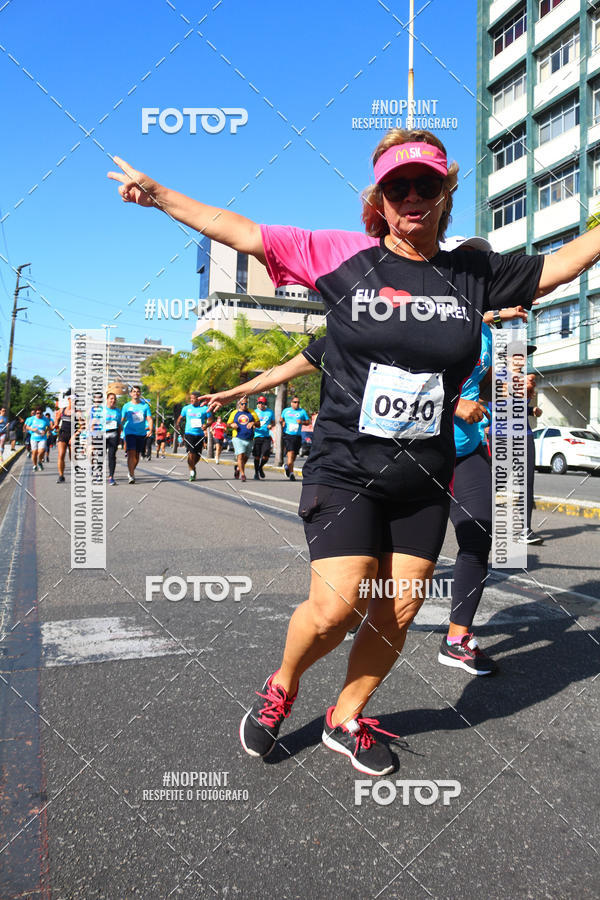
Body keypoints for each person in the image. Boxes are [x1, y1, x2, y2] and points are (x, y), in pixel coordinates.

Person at [109, 127, 592, 775]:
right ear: (381, 199)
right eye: (399, 186)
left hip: (423, 476)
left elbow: (557, 266)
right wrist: (163, 195)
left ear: (446, 193)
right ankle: (283, 685)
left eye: (426, 184)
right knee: (336, 607)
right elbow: (246, 233)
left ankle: (347, 715)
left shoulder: (471, 272)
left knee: (399, 604)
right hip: (344, 467)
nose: (413, 196)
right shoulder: (342, 255)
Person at [176, 391, 212, 482]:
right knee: (191, 453)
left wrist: (206, 425)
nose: (191, 400)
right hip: (189, 433)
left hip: (200, 434)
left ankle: (192, 466)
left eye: (194, 398)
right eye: (191, 398)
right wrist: (178, 424)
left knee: (198, 455)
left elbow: (211, 420)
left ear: (198, 399)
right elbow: (180, 417)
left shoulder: (205, 409)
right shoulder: (186, 408)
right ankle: (192, 472)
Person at [121, 385, 152, 484]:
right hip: (129, 432)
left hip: (141, 433)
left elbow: (149, 418)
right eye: (134, 391)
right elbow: (122, 419)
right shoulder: (126, 406)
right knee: (131, 453)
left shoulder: (145, 406)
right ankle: (131, 475)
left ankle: (131, 471)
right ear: (130, 394)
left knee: (137, 456)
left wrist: (151, 429)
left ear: (140, 394)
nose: (136, 393)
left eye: (138, 391)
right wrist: (118, 428)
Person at [227, 398, 259, 482]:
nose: (244, 405)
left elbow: (259, 424)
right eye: (242, 404)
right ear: (239, 404)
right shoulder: (234, 413)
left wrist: (253, 423)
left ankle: (238, 468)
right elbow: (228, 424)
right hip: (237, 437)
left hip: (249, 438)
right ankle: (243, 474)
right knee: (240, 455)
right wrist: (232, 425)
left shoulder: (251, 412)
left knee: (246, 457)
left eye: (245, 404)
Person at [280, 396, 310, 481]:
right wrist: (283, 422)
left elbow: (308, 422)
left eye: (298, 402)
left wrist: (302, 422)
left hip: (297, 436)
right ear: (291, 403)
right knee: (291, 452)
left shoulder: (302, 412)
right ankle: (291, 474)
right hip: (288, 435)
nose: (297, 404)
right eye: (295, 402)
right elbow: (281, 419)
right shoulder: (286, 411)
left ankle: (287, 466)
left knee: (294, 455)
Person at [252, 396, 275, 480]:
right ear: (257, 404)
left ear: (265, 404)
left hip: (266, 436)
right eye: (260, 403)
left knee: (266, 456)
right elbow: (250, 422)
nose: (261, 405)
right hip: (257, 436)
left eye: (263, 403)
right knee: (257, 456)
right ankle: (256, 473)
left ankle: (260, 467)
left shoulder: (270, 412)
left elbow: (273, 422)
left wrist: (271, 425)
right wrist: (253, 425)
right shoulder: (254, 412)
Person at [55, 395, 73, 483]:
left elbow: (82, 426)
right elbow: (57, 419)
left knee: (72, 457)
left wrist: (75, 435)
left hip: (73, 435)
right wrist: (56, 424)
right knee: (61, 454)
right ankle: (61, 475)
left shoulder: (77, 412)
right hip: (63, 434)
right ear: (68, 399)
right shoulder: (62, 410)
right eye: (72, 399)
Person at [27, 407, 49, 471]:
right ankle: (35, 465)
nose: (38, 414)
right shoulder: (32, 419)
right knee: (34, 453)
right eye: (37, 413)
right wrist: (33, 429)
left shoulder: (45, 419)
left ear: (42, 413)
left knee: (41, 451)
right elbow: (27, 427)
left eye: (40, 413)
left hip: (42, 438)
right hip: (33, 438)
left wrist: (45, 431)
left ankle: (39, 462)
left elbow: (49, 427)